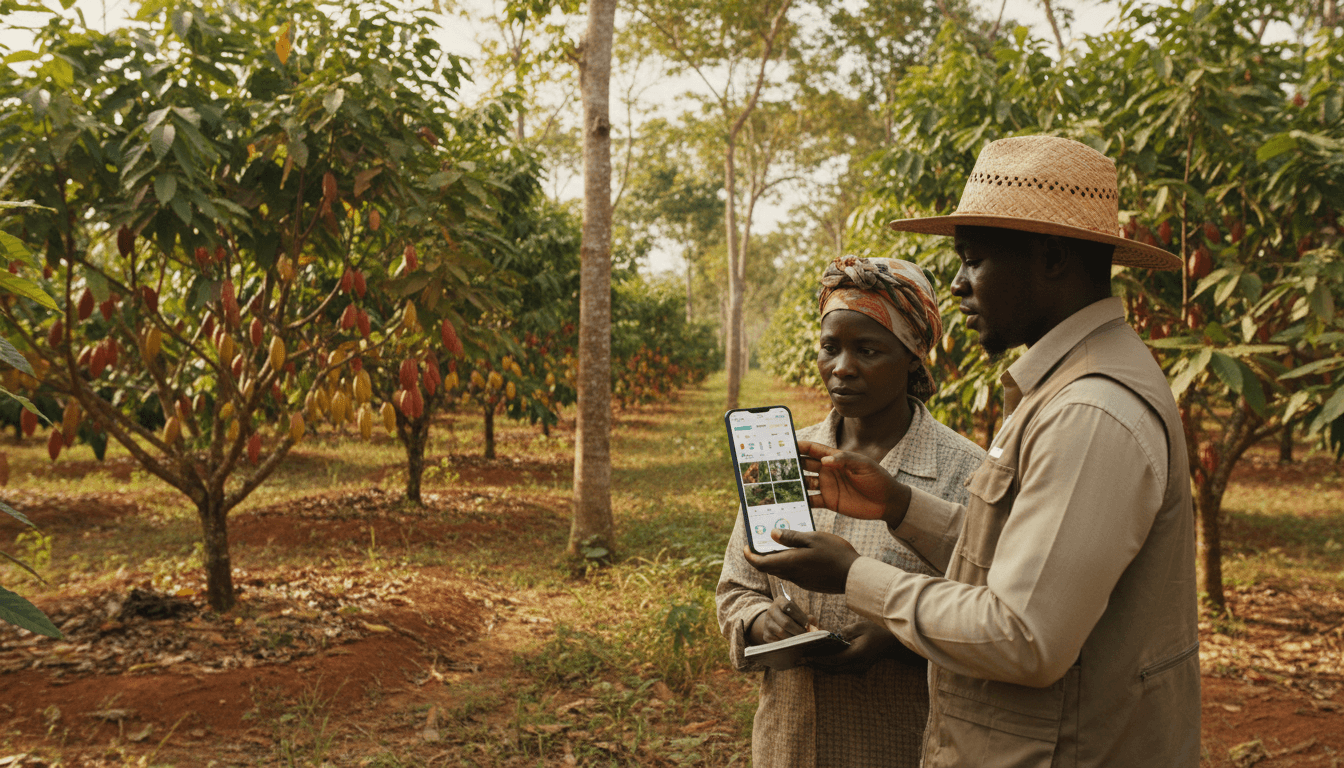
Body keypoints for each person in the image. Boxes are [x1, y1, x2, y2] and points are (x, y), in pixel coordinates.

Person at [745, 135, 1200, 768]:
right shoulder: (1066, 389)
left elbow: (1023, 635)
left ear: (1051, 258)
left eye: (974, 260)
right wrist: (904, 505)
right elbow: (1031, 558)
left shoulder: (1090, 412)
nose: (957, 285)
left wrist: (853, 576)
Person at [717, 256, 985, 768]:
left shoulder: (964, 472)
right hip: (789, 744)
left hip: (904, 744)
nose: (842, 367)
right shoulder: (785, 456)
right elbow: (736, 589)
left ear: (912, 357)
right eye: (830, 347)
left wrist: (900, 642)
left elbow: (991, 619)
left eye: (867, 350)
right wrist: (759, 623)